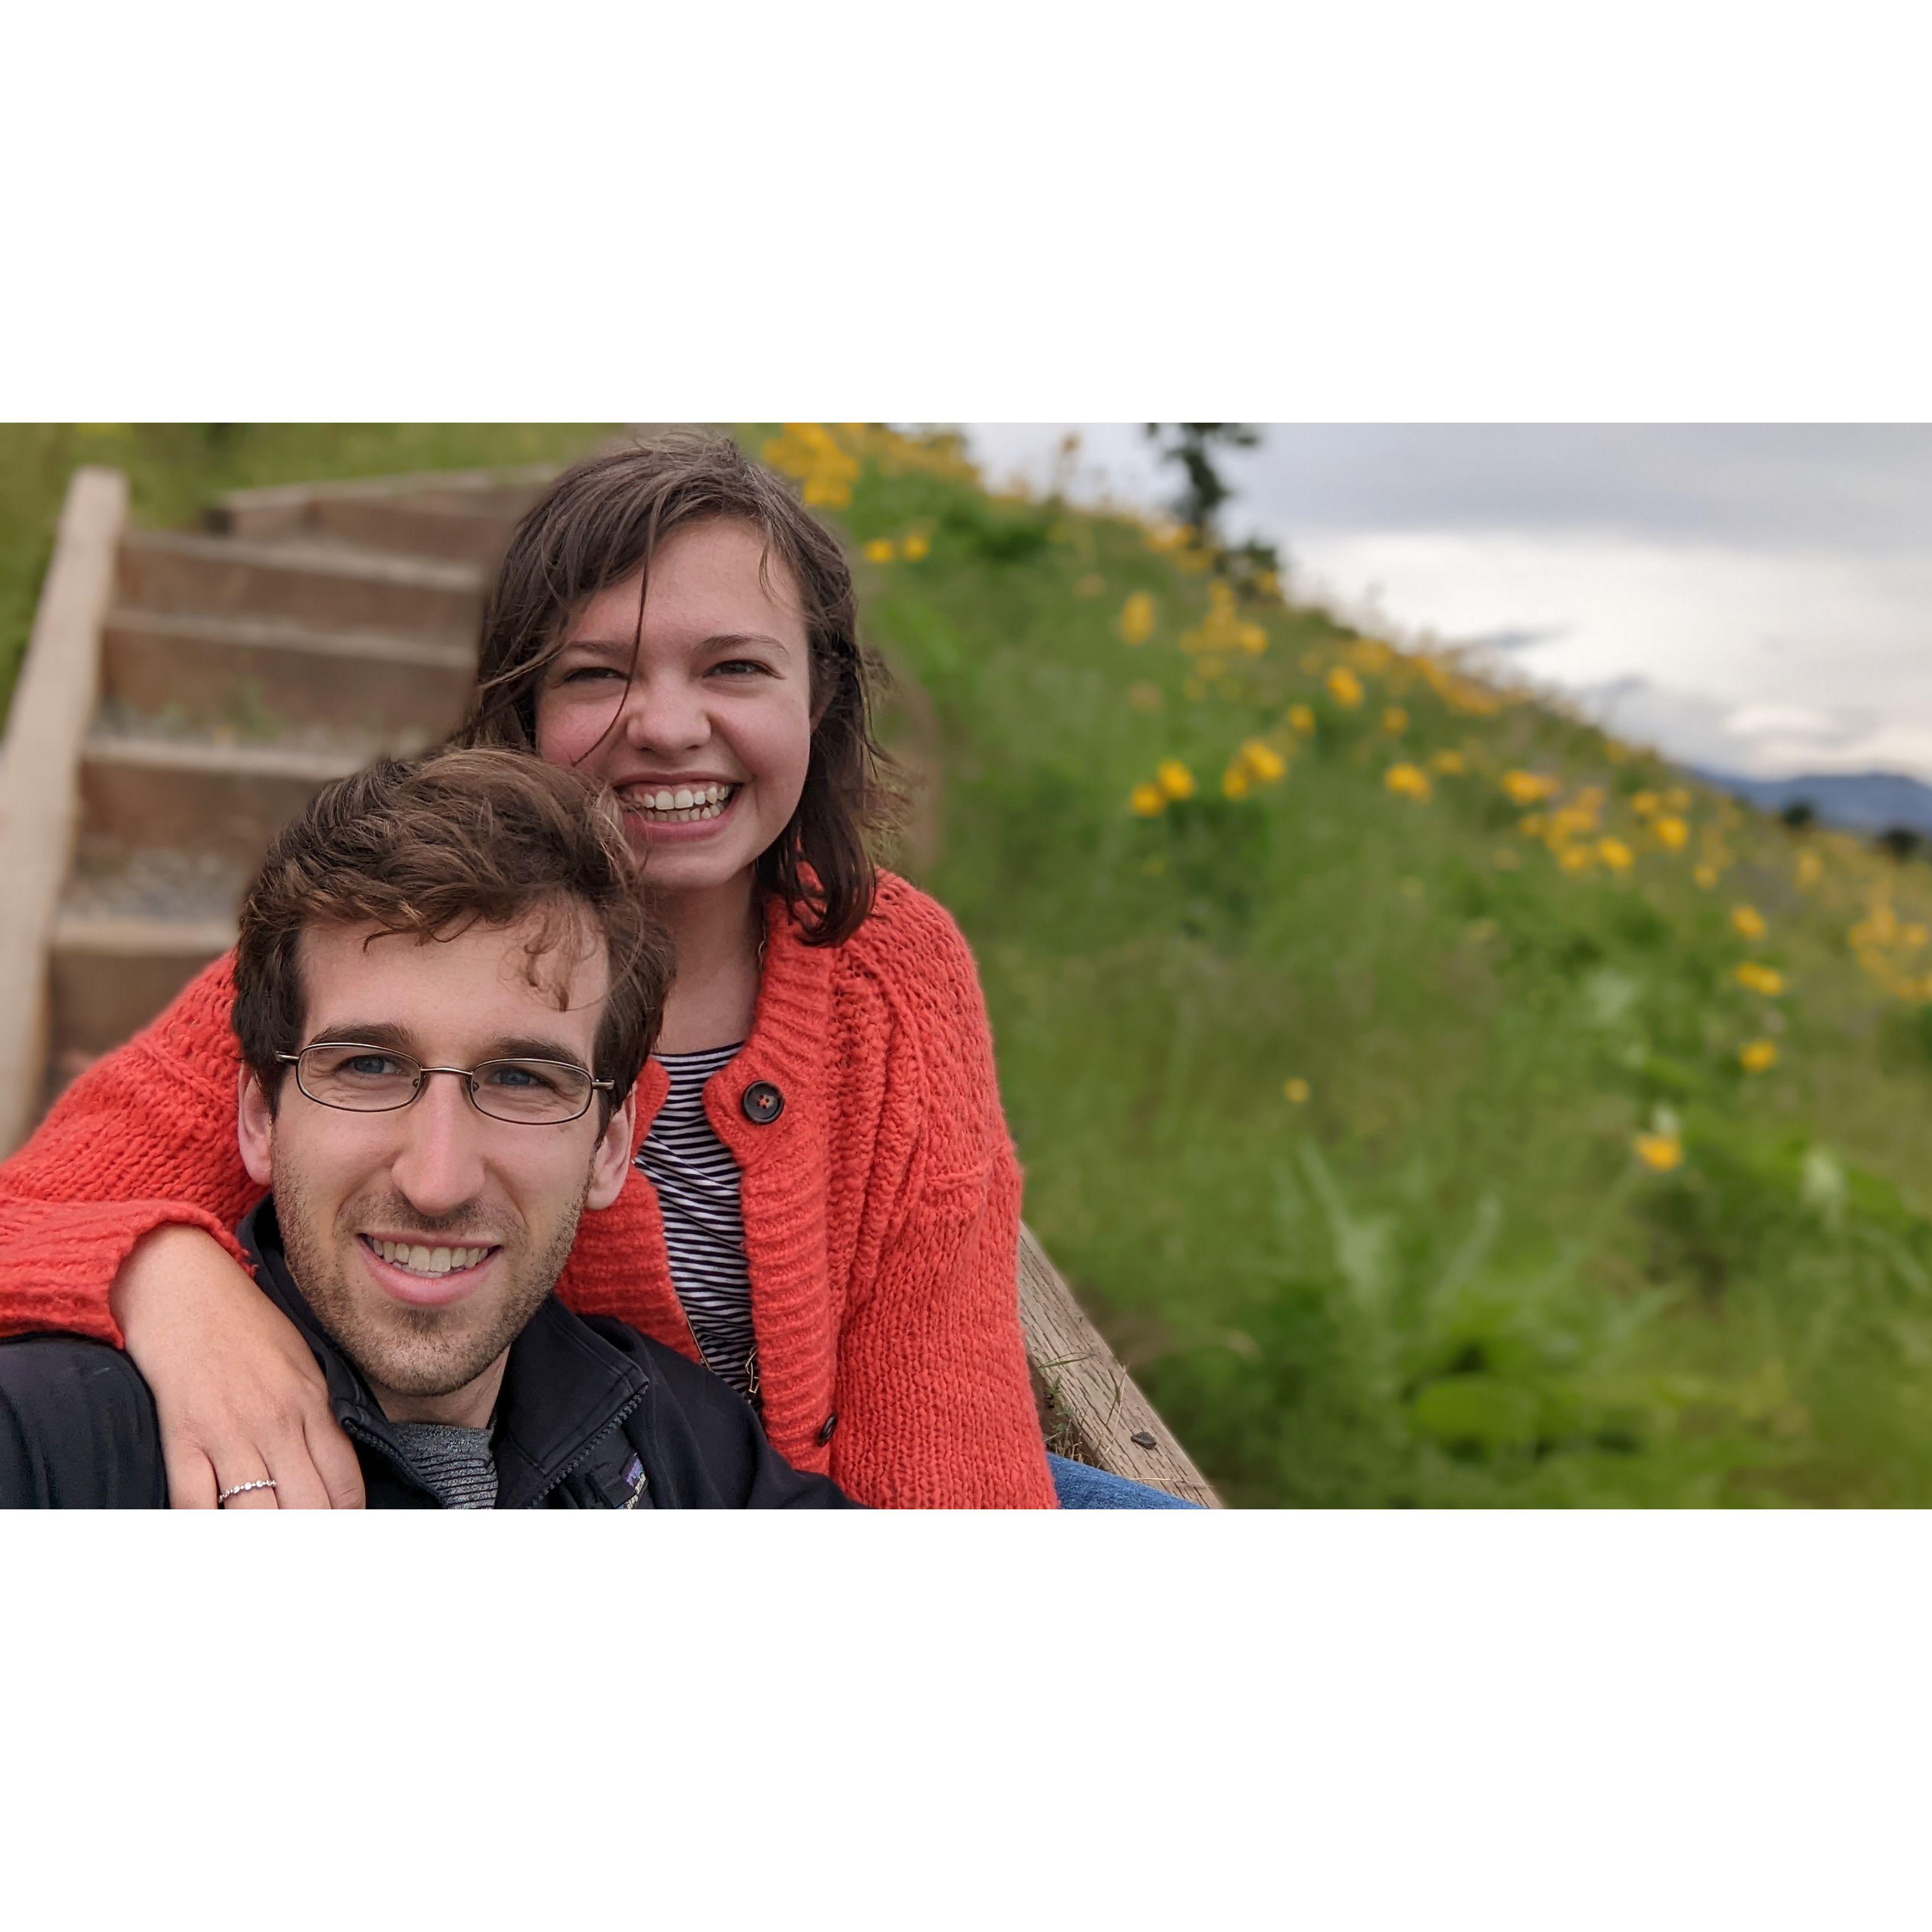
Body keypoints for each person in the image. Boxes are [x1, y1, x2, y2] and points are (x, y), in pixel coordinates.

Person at [0, 431, 1190, 1508]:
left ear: (821, 700)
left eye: (734, 668)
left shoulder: (894, 967)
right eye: (596, 673)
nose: (668, 725)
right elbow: (38, 1208)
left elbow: (940, 1399)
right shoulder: (416, 952)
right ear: (519, 712)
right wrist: (170, 1283)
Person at [0, 750, 856, 1509]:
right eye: (369, 1069)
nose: (436, 1181)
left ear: (610, 1145)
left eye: (522, 1079)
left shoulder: (686, 1449)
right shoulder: (58, 1434)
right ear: (260, 1115)